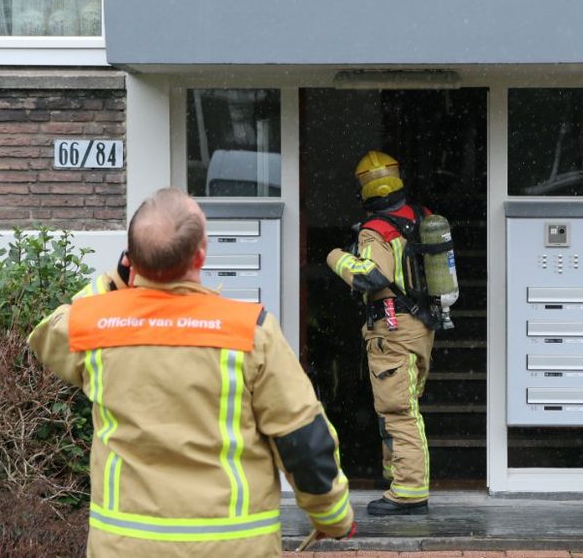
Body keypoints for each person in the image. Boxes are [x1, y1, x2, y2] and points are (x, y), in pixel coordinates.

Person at [29, 187, 354, 557]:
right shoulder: (251, 330)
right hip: (232, 545)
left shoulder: (99, 326)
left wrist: (112, 283)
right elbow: (301, 439)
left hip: (126, 547)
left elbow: (47, 335)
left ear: (131, 259)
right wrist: (332, 517)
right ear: (201, 254)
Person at [326, 151, 436, 516]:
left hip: (393, 330)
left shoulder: (377, 230)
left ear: (364, 189)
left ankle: (408, 491)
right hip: (420, 326)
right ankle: (395, 475)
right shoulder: (422, 217)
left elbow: (372, 277)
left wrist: (335, 257)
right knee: (403, 407)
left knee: (397, 411)